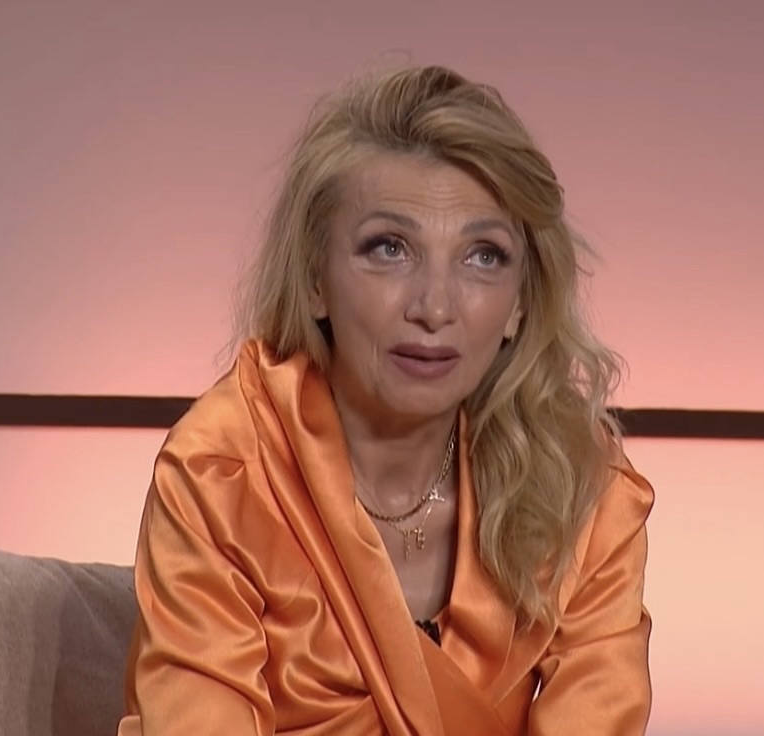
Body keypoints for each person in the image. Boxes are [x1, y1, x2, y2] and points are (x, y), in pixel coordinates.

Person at [117, 64, 654, 735]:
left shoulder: (580, 485)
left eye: (483, 256)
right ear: (315, 281)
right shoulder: (223, 474)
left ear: (519, 302)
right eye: (389, 248)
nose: (434, 307)